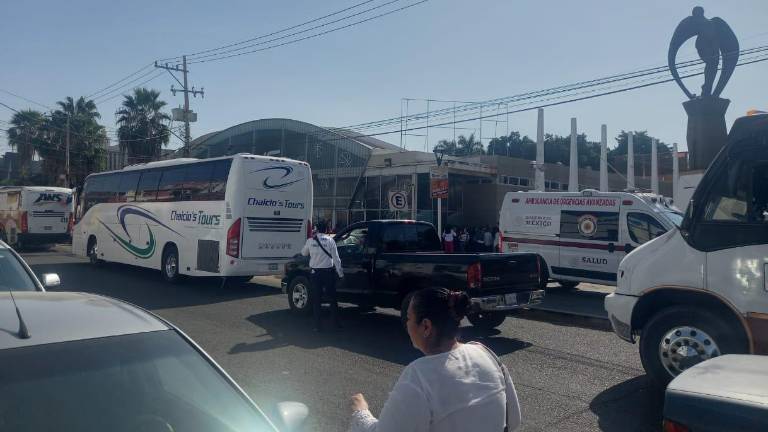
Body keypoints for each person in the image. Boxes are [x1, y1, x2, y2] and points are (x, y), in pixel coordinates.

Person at [348, 287, 521, 432]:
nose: (406, 325)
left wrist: (360, 413)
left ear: (426, 326)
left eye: (408, 318)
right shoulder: (486, 354)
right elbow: (514, 420)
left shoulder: (418, 377)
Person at [301, 221, 344, 331]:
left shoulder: (311, 240)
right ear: (326, 229)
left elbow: (303, 253)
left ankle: (317, 326)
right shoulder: (330, 240)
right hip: (328, 273)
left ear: (317, 229)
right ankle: (336, 324)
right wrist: (340, 274)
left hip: (315, 274)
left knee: (317, 300)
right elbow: (336, 259)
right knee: (332, 299)